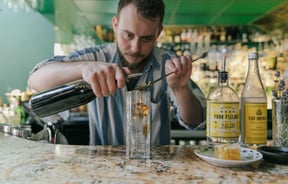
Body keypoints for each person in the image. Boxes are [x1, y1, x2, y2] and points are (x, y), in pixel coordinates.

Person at [27, 0, 206, 145]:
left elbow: (196, 122)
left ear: (158, 32)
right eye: (128, 35)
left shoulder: (169, 63)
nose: (136, 48)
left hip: (156, 170)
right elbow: (35, 80)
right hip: (103, 168)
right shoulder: (95, 57)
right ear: (115, 25)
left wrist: (181, 89)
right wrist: (84, 68)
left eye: (146, 38)